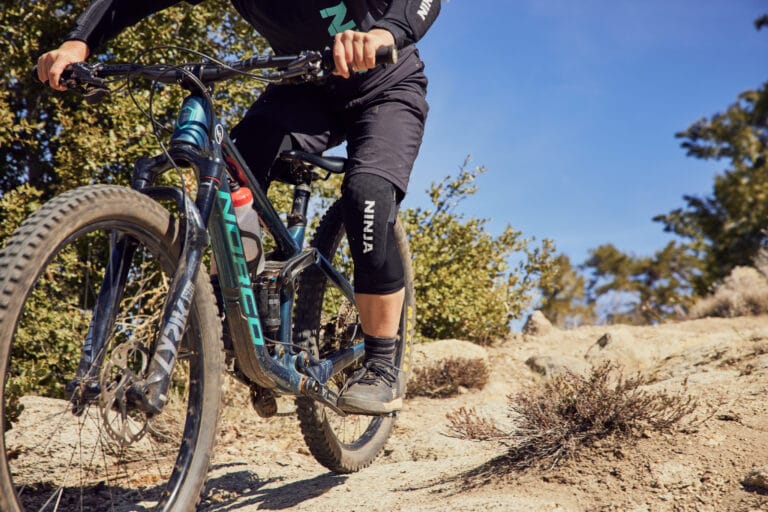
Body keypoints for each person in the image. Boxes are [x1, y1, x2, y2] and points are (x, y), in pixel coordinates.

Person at [36, 0, 439, 415]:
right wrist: (78, 42)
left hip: (386, 88)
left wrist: (385, 32)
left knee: (367, 194)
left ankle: (380, 364)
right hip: (302, 92)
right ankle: (243, 319)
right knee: (229, 175)